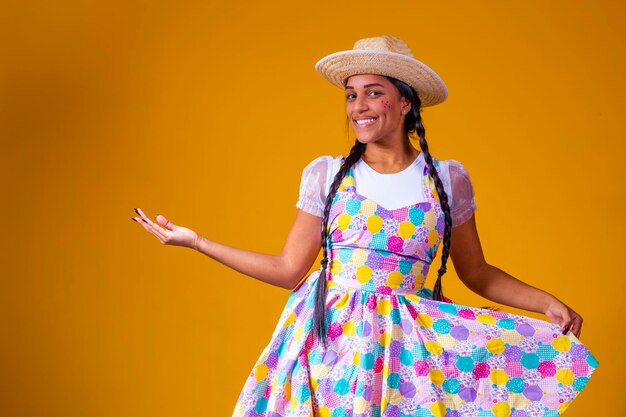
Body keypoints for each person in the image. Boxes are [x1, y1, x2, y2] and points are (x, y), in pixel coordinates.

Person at [132, 35, 597, 417]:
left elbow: (477, 272)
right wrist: (198, 242)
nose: (359, 105)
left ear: (405, 103)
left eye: (373, 91)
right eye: (351, 95)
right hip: (331, 346)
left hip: (409, 353)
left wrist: (545, 302)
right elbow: (289, 269)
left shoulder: (449, 180)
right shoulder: (328, 174)